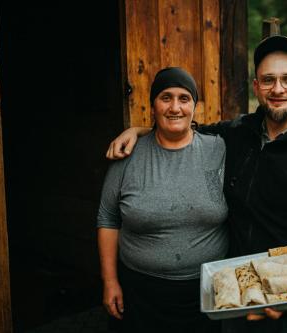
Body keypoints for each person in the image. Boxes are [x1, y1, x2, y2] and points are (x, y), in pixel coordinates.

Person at [106, 36, 287, 333]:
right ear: (256, 87)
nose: (277, 89)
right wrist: (138, 131)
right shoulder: (239, 134)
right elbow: (185, 128)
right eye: (268, 80)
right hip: (243, 297)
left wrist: (286, 297)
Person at [97, 67, 228, 333]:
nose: (175, 107)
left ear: (194, 106)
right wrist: (110, 281)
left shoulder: (219, 148)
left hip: (207, 291)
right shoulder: (127, 155)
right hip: (140, 294)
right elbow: (108, 218)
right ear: (153, 105)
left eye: (184, 98)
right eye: (165, 97)